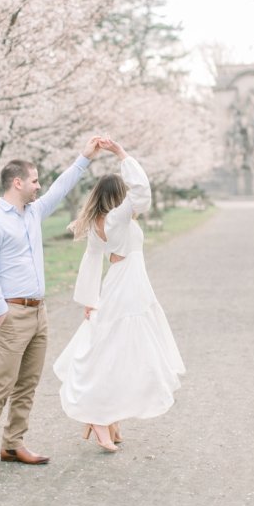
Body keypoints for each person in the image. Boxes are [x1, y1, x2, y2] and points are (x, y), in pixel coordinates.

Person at [0, 136, 103, 479]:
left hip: (39, 313)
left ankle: (13, 444)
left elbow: (60, 188)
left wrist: (84, 159)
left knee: (27, 383)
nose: (39, 186)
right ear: (17, 182)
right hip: (11, 313)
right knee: (0, 384)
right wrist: (0, 312)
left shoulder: (33, 213)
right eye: (34, 180)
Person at [53, 139, 185, 452]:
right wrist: (123, 155)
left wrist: (90, 300)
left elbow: (92, 260)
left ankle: (109, 417)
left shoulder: (98, 222)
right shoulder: (117, 218)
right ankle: (100, 417)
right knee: (121, 352)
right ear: (117, 197)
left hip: (121, 285)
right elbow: (143, 192)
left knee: (115, 350)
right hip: (127, 287)